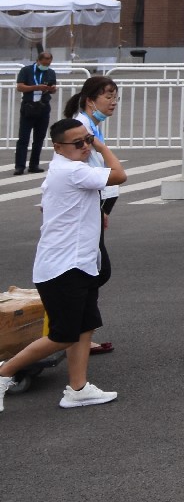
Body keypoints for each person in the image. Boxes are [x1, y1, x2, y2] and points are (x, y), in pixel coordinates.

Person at [0, 116, 127, 411]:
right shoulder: (71, 171)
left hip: (80, 263)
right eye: (78, 143)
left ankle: (78, 389)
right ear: (58, 147)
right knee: (62, 335)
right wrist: (101, 146)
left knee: (85, 327)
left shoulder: (66, 169)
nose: (85, 146)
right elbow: (119, 175)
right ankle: (4, 372)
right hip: (63, 268)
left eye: (88, 140)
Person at [65, 75, 121, 355]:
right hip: (86, 211)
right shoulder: (82, 130)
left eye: (115, 97)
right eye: (108, 96)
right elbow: (86, 173)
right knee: (95, 272)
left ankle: (81, 334)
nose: (113, 102)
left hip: (95, 209)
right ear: (90, 100)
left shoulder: (91, 126)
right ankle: (73, 332)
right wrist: (97, 208)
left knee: (95, 272)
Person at [14, 48, 57, 175]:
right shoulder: (26, 70)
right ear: (38, 61)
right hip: (29, 105)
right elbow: (20, 87)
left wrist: (51, 89)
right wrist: (36, 87)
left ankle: (34, 164)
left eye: (48, 64)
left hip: (43, 106)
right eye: (44, 63)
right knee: (23, 137)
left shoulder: (51, 72)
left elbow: (53, 88)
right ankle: (19, 166)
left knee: (39, 138)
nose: (46, 65)